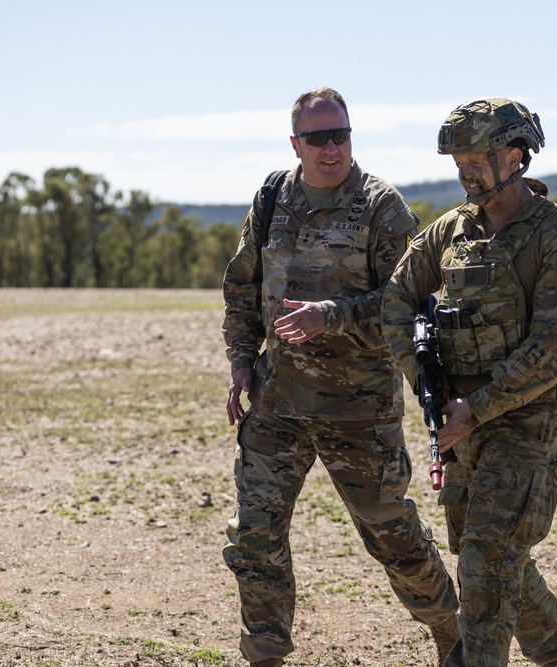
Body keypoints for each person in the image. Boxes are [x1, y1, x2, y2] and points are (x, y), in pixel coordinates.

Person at [221, 86, 459, 667]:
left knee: (392, 537)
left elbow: (409, 305)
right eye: (318, 138)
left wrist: (331, 317)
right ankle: (265, 654)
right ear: (296, 143)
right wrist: (240, 360)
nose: (332, 148)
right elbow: (242, 286)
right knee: (253, 535)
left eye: (341, 134)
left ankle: (453, 630)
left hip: (358, 409)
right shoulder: (273, 196)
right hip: (278, 403)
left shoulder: (380, 206)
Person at [382, 98, 557, 667]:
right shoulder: (450, 231)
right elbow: (397, 299)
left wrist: (477, 407)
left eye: (476, 160)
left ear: (514, 157)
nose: (465, 173)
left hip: (526, 417)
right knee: (501, 555)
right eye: (459, 162)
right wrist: (424, 383)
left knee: (485, 558)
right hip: (460, 415)